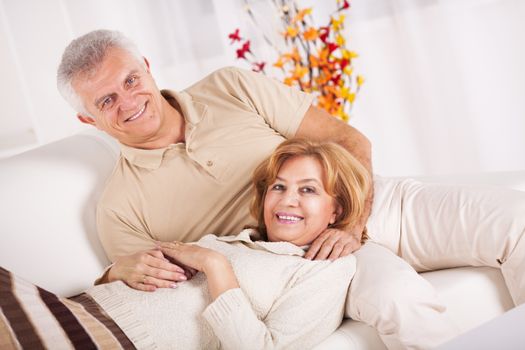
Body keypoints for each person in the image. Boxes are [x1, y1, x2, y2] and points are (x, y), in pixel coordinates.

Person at [57, 29, 525, 349]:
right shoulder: (120, 206)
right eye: (106, 100)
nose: (129, 102)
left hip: (368, 203)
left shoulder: (229, 86)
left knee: (517, 220)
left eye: (131, 79)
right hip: (310, 268)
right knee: (398, 299)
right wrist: (116, 272)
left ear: (147, 66)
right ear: (87, 118)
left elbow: (348, 140)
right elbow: (154, 288)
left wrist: (352, 225)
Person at [86, 138, 371, 349]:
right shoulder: (234, 240)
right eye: (278, 187)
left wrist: (215, 266)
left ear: (337, 210)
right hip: (83, 308)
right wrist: (115, 271)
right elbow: (129, 278)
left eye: (308, 189)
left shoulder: (327, 269)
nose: (287, 200)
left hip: (114, 340)